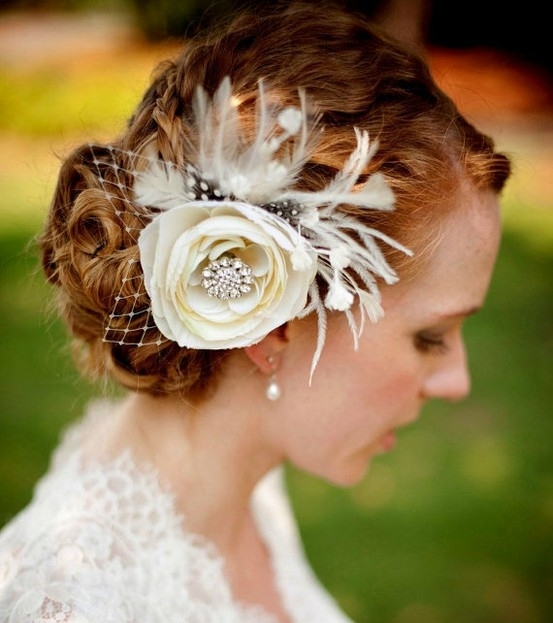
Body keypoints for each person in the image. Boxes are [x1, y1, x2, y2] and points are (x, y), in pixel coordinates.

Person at [0, 2, 511, 621]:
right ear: (273, 326)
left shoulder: (250, 493)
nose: (457, 383)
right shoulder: (74, 601)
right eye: (431, 336)